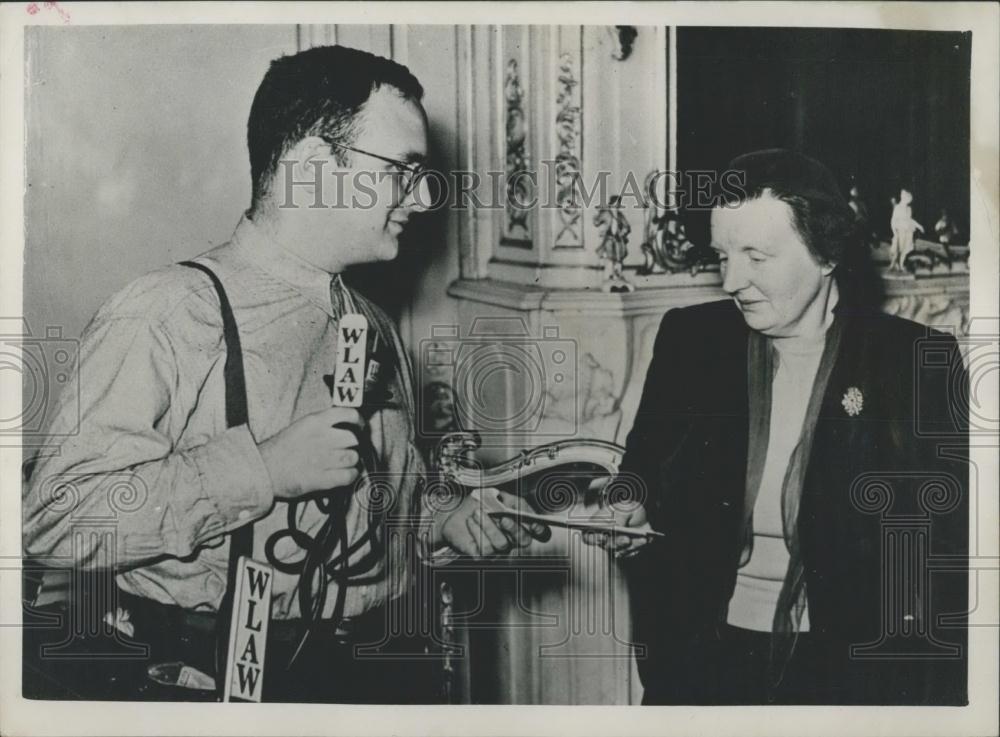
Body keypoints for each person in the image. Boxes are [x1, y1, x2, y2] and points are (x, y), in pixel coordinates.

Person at [22, 44, 542, 703]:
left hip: (378, 673)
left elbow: (378, 502)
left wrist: (444, 520)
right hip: (222, 680)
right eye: (401, 172)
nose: (421, 197)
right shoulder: (169, 313)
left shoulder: (374, 324)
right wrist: (260, 469)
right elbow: (56, 519)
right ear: (310, 169)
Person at [587, 149, 968, 705]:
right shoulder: (692, 341)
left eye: (757, 257)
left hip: (849, 672)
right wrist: (629, 503)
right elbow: (642, 471)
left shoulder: (912, 362)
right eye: (722, 255)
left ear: (826, 253)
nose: (732, 280)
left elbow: (940, 560)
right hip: (702, 657)